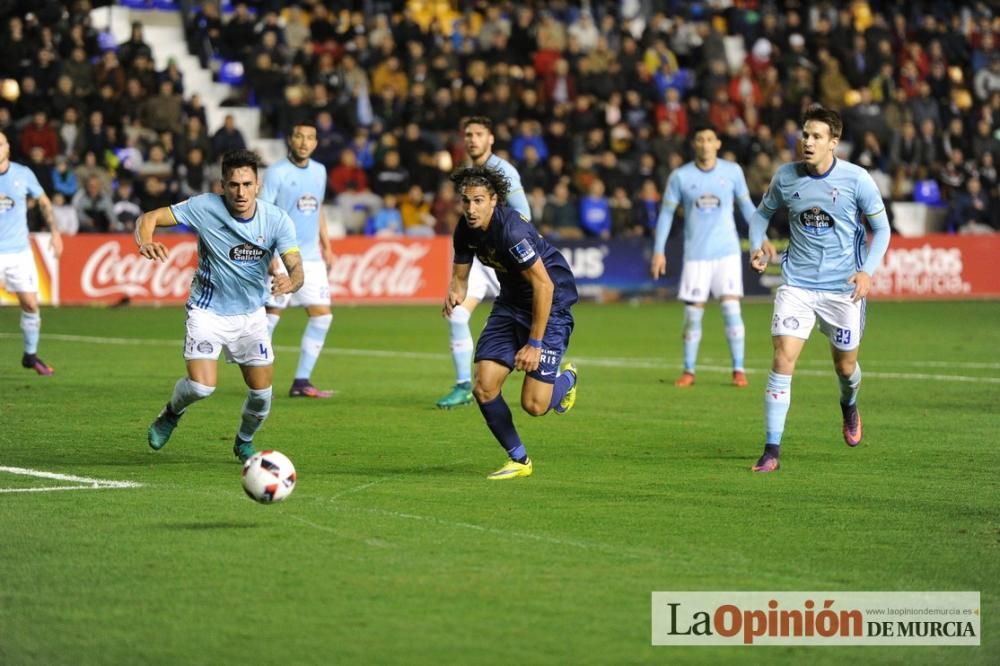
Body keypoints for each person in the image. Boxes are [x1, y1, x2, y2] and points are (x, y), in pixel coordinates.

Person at [747, 105, 891, 473]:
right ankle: (771, 450)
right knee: (783, 357)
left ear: (834, 143)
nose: (807, 142)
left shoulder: (857, 180)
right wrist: (757, 244)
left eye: (816, 136)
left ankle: (849, 405)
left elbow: (882, 230)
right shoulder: (786, 177)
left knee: (845, 368)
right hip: (796, 284)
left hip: (843, 289)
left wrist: (866, 272)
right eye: (805, 134)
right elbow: (760, 215)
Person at [137, 149, 303, 462]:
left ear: (258, 186)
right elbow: (149, 218)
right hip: (207, 311)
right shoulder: (203, 207)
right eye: (234, 185)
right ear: (222, 186)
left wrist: (291, 280)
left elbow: (296, 266)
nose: (240, 192)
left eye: (247, 184)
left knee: (262, 396)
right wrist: (145, 240)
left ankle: (243, 441)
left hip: (251, 316)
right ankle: (171, 412)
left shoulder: (277, 220)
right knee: (201, 387)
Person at [445, 166, 578, 480]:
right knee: (484, 386)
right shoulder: (464, 229)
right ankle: (519, 460)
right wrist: (454, 292)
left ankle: (568, 380)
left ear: (494, 201)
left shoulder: (511, 232)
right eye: (466, 201)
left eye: (478, 201)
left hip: (551, 303)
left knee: (534, 405)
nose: (471, 209)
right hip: (510, 304)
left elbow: (544, 286)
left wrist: (534, 344)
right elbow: (460, 277)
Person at [650, 125, 764, 388]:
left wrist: (761, 237)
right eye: (700, 139)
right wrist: (659, 251)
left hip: (727, 251)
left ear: (718, 144)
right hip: (696, 255)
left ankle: (738, 369)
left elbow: (747, 205)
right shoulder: (680, 176)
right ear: (694, 144)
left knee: (731, 307)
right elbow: (666, 214)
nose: (705, 143)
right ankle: (689, 370)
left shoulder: (732, 172)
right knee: (692, 314)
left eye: (710, 139)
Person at [436, 116, 532, 409]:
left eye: (479, 134)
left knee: (529, 315)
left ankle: (548, 364)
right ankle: (465, 384)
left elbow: (524, 215)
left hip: (504, 256)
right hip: (481, 256)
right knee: (457, 314)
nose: (472, 139)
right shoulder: (470, 173)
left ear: (491, 139)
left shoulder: (503, 172)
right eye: (468, 134)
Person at [262, 122, 336, 398]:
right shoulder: (277, 172)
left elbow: (318, 210)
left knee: (322, 317)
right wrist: (269, 256)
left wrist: (327, 246)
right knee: (271, 317)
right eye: (299, 137)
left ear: (316, 143)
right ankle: (258, 376)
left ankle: (301, 382)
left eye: (310, 138)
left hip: (312, 257)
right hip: (282, 254)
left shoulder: (320, 171)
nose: (304, 142)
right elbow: (265, 215)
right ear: (290, 140)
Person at [0, 130, 63, 375]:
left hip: (19, 252)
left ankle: (30, 355)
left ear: (8, 148)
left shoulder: (23, 174)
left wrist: (55, 233)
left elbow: (44, 201)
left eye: (1, 143)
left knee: (30, 303)